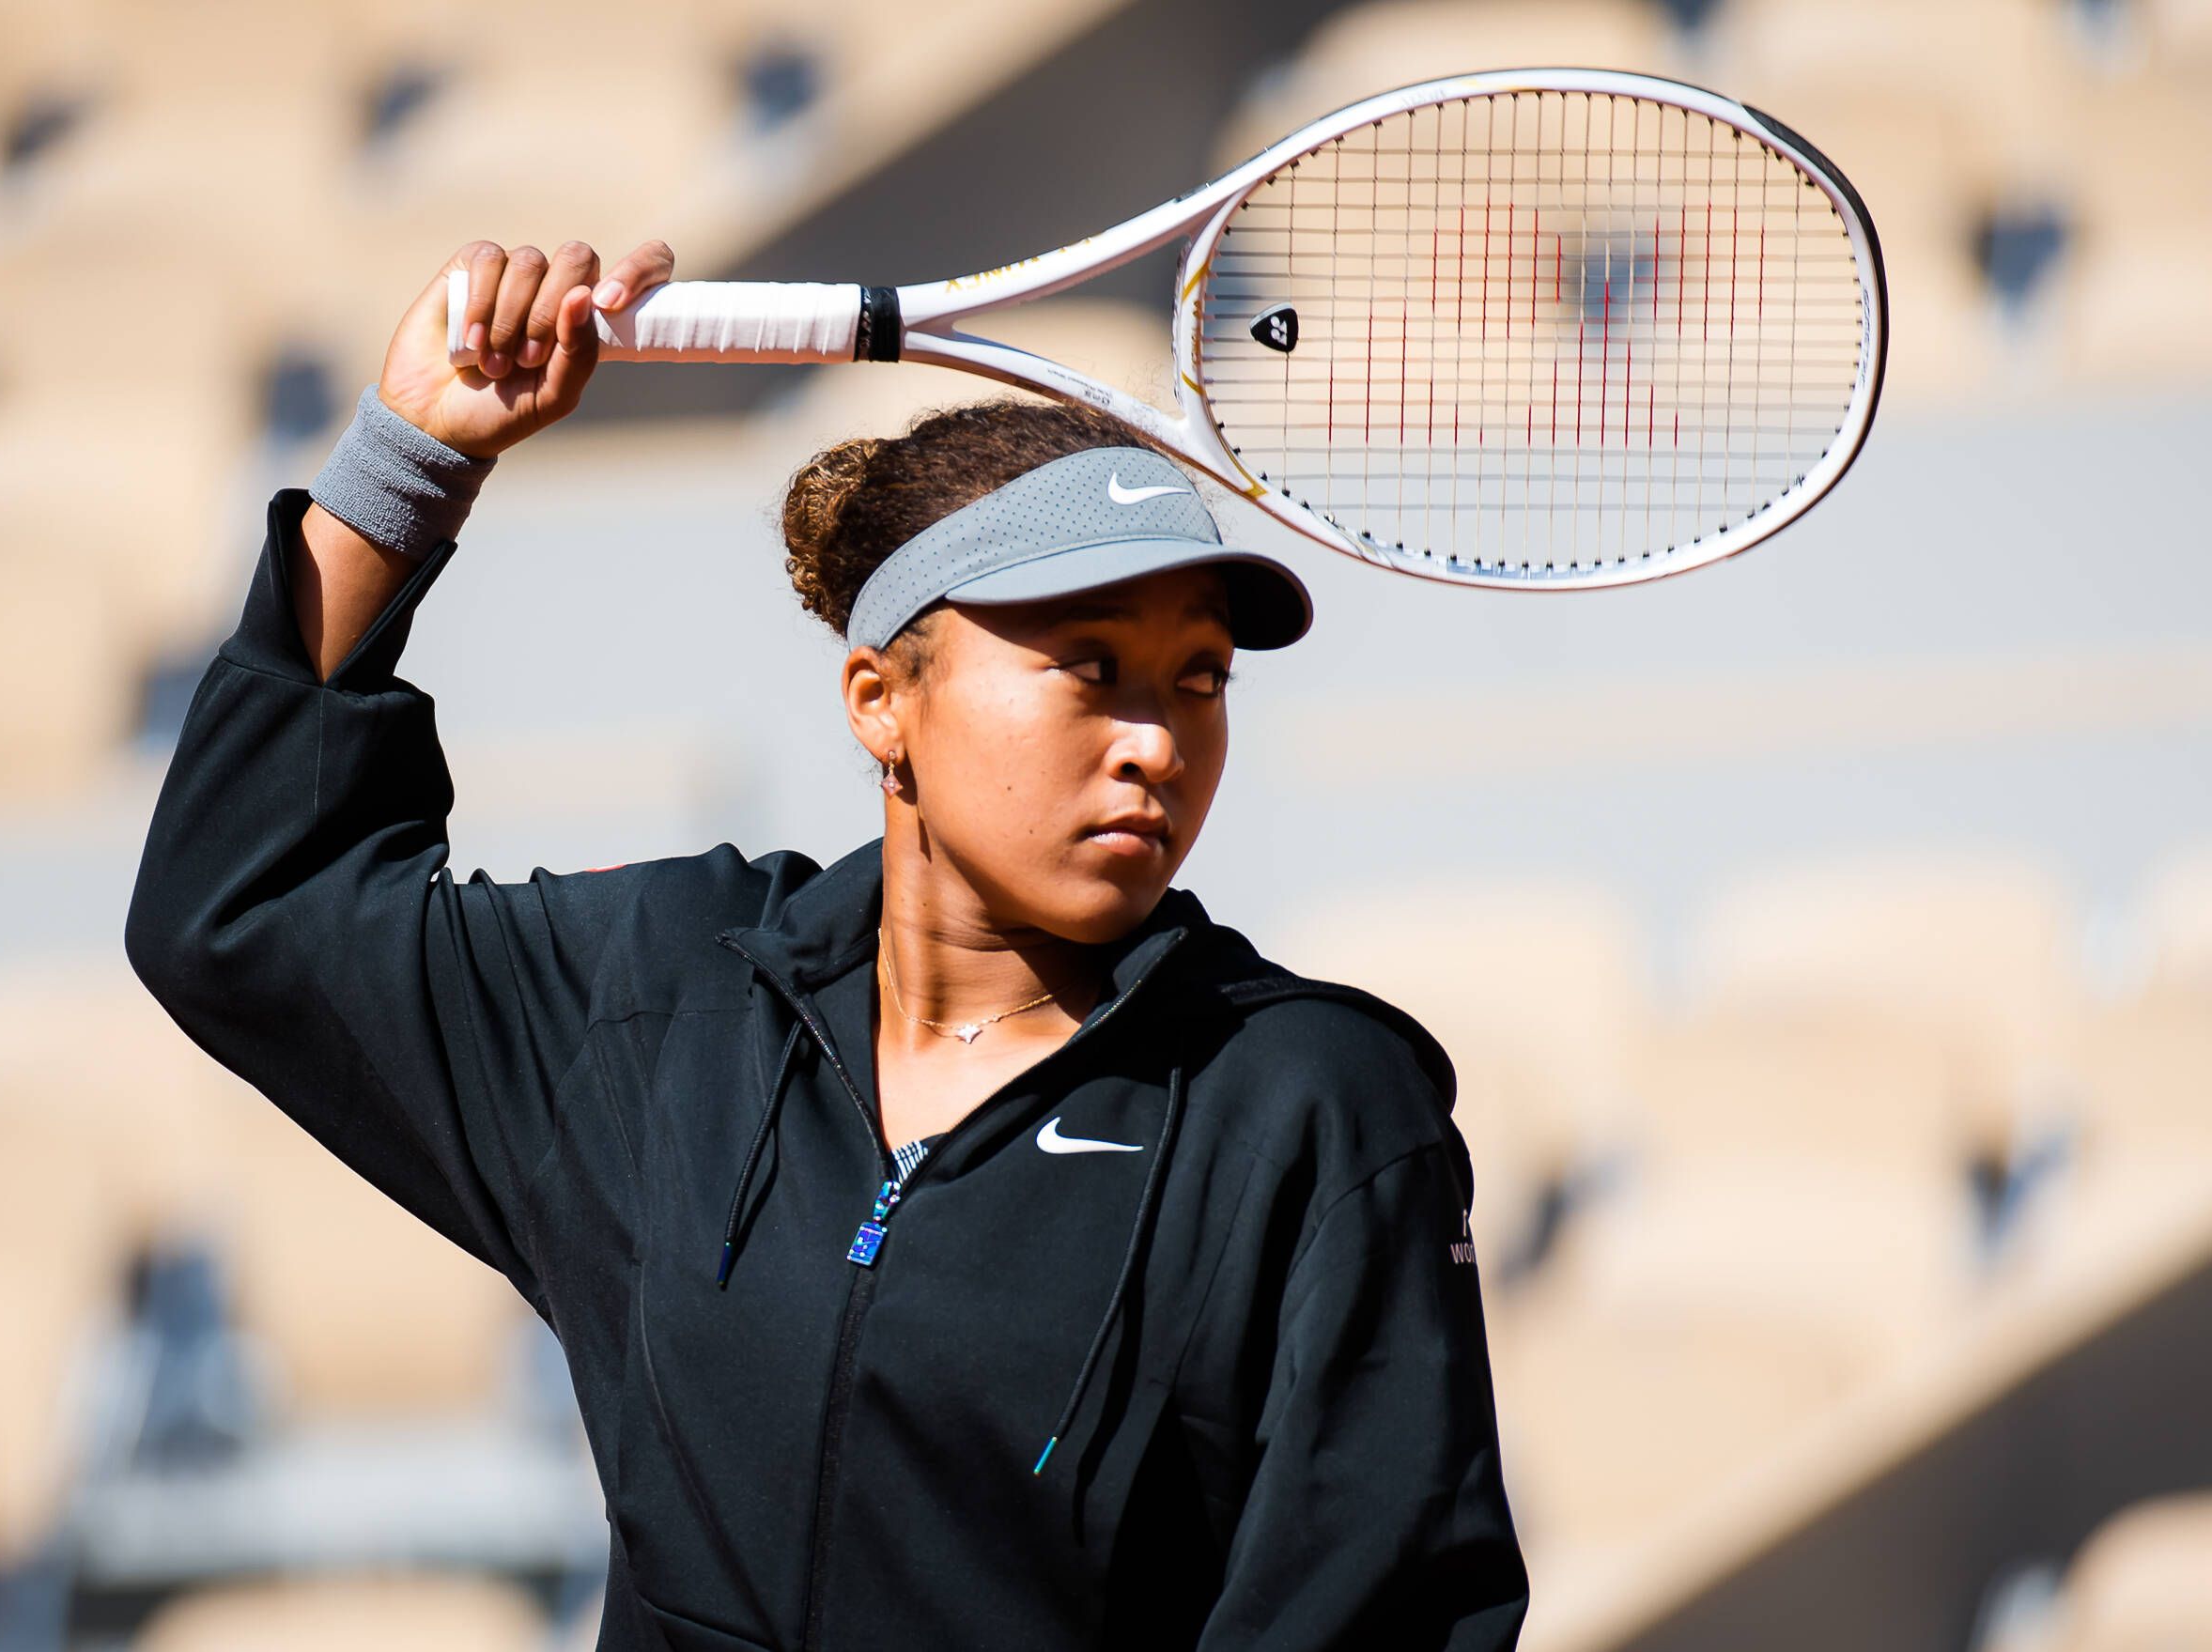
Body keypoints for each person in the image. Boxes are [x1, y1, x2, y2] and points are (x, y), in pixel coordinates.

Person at [126, 237, 1527, 1650]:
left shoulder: (1317, 1107)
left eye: (1199, 680)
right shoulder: (664, 995)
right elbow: (243, 909)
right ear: (879, 698)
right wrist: (407, 463)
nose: (1156, 744)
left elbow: (1382, 1618)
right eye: (1090, 670)